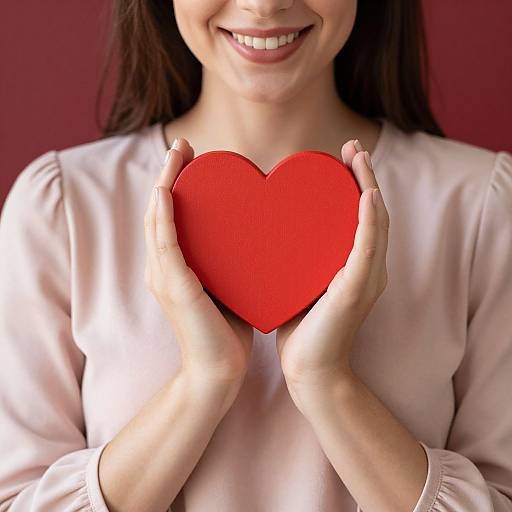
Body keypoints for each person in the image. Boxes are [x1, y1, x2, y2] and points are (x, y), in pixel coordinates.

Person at [0, 0, 511, 511]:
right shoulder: (63, 210)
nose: (264, 5)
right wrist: (204, 379)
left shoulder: (481, 207)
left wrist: (326, 381)